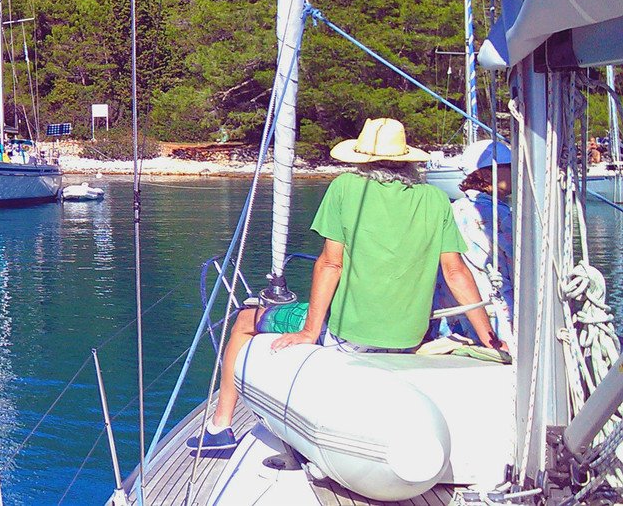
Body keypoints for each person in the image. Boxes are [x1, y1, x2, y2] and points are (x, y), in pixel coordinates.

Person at [189, 117, 506, 459]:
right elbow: (456, 272)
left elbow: (330, 264)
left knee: (244, 320)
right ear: (408, 161)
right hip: (409, 337)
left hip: (350, 336)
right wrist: (487, 335)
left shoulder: (345, 189)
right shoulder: (434, 199)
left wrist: (310, 331)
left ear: (362, 160)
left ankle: (219, 428)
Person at [433, 139, 514, 346]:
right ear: (487, 174)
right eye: (509, 167)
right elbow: (520, 265)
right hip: (497, 317)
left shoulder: (453, 209)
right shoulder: (500, 215)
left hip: (458, 315)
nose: (515, 173)